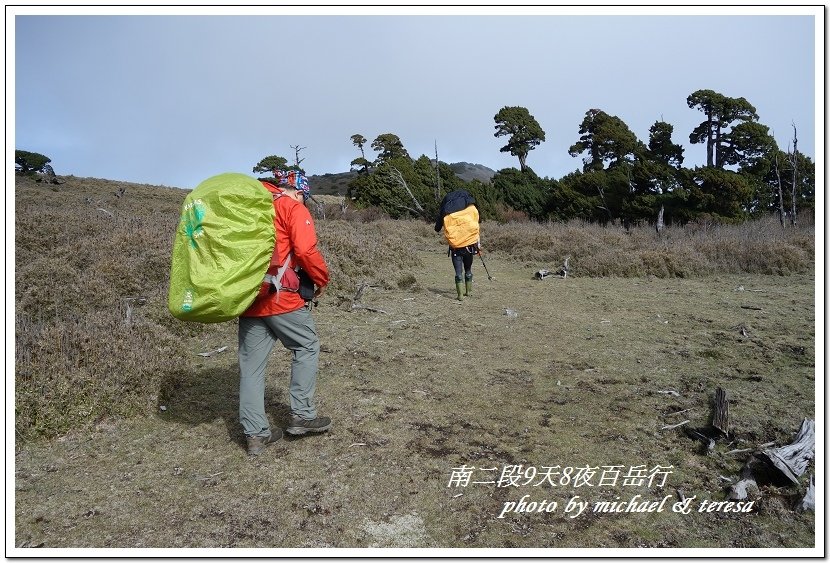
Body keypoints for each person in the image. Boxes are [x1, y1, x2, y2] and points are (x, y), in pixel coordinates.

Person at [238, 169, 331, 456]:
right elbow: (305, 250)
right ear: (299, 191)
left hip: (251, 296)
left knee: (251, 367)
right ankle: (302, 415)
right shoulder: (291, 207)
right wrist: (321, 279)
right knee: (306, 345)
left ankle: (256, 434)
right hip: (281, 297)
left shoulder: (251, 204)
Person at [434, 189, 480, 301]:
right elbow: (478, 222)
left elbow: (437, 228)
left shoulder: (447, 211)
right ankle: (468, 292)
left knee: (458, 272)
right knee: (468, 269)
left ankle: (460, 296)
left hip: (456, 248)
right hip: (470, 246)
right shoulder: (472, 208)